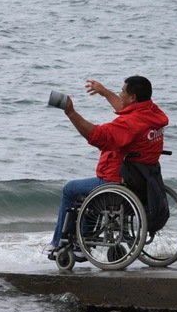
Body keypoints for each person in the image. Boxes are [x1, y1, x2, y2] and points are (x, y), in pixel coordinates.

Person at [45, 76, 169, 257]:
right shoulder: (151, 113)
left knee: (70, 189)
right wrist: (104, 92)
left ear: (133, 97)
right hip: (143, 181)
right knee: (86, 192)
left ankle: (59, 243)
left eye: (123, 91)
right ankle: (82, 240)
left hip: (118, 182)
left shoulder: (129, 124)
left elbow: (97, 135)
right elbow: (127, 110)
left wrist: (71, 112)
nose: (120, 94)